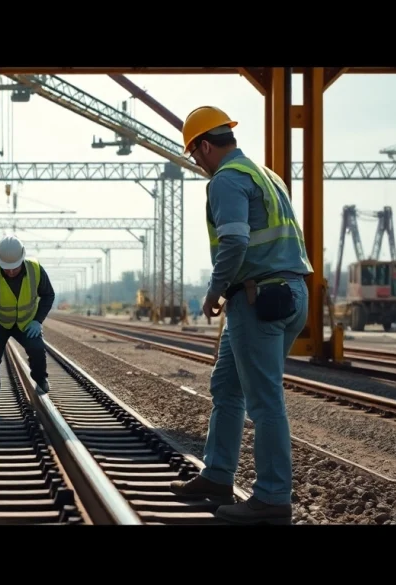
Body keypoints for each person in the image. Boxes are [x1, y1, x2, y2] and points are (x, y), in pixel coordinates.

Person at [169, 106, 313, 525]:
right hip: (287, 293)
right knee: (226, 387)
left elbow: (233, 241)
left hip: (258, 298)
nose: (196, 163)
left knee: (264, 401)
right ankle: (217, 475)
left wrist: (215, 290)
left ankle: (271, 498)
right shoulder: (267, 175)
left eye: (195, 155)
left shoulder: (226, 180)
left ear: (206, 145)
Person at [0, 235, 56, 409]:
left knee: (37, 348)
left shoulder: (36, 270)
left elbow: (48, 295)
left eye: (14, 268)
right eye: (6, 268)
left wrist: (38, 321)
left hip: (27, 322)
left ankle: (41, 378)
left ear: (23, 258)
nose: (10, 272)